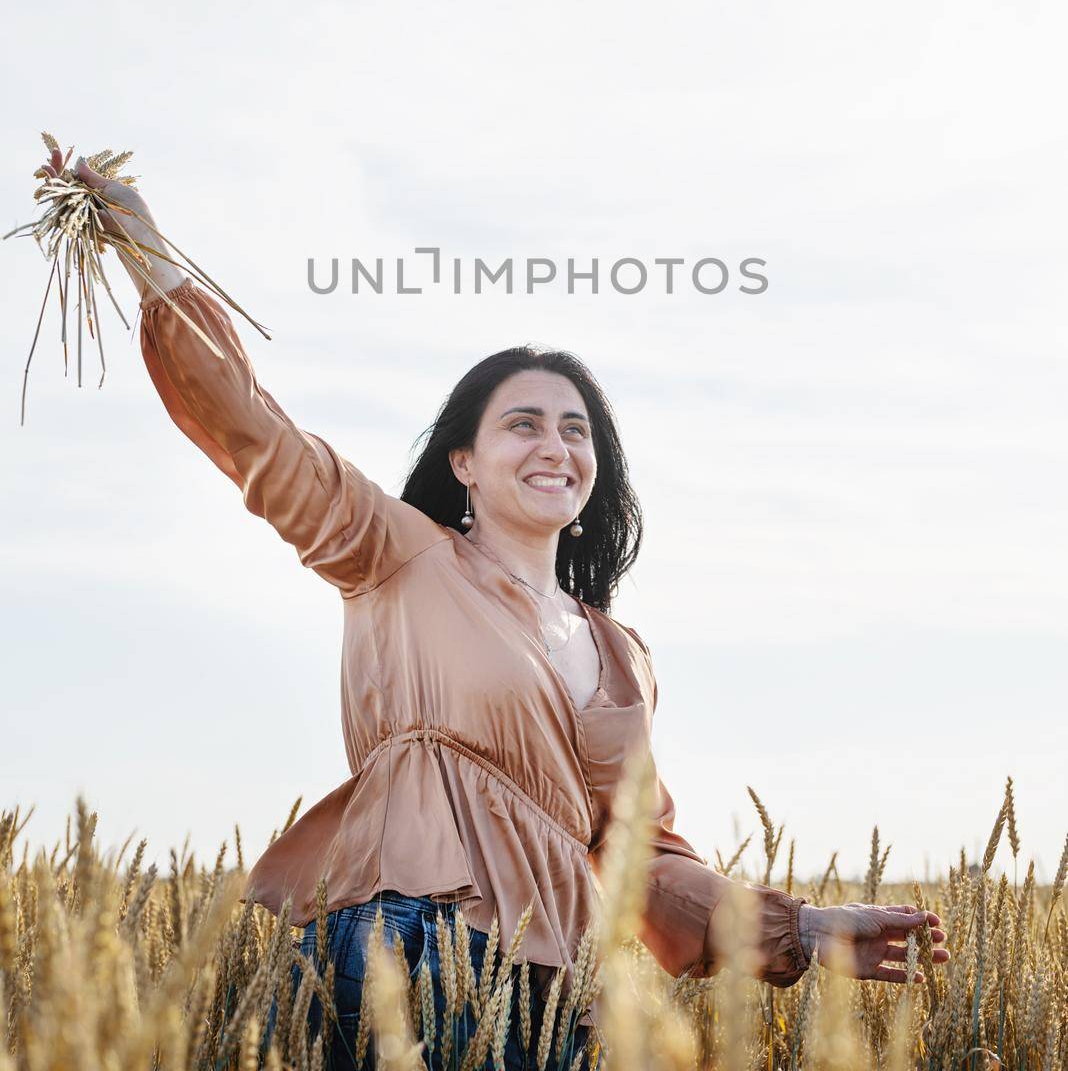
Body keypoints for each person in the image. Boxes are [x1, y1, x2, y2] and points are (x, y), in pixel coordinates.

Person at [51, 147, 949, 1069]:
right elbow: (256, 432)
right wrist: (145, 247)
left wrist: (803, 924)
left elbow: (639, 857)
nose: (554, 444)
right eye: (522, 423)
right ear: (465, 464)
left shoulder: (620, 652)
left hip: (558, 988)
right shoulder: (398, 555)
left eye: (575, 428)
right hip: (404, 945)